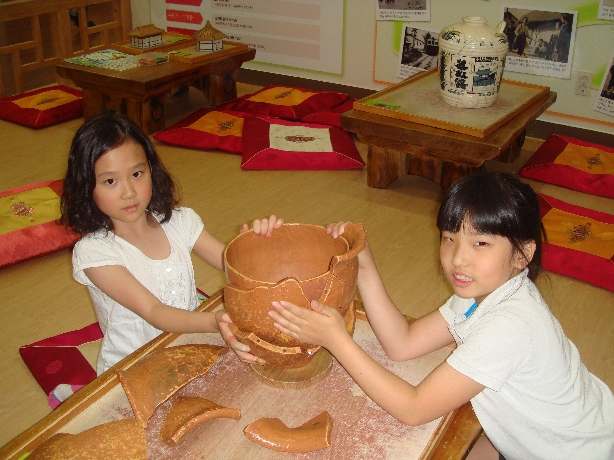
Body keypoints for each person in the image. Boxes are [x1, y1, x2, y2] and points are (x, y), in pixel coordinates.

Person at [269, 172, 614, 460]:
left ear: (523, 254)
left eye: (481, 244)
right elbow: (402, 344)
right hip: (561, 432)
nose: (458, 259)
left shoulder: (510, 324)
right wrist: (364, 263)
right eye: (449, 238)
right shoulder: (481, 295)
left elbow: (414, 409)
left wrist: (337, 341)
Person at [61, 111, 283, 374]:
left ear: (152, 171)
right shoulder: (94, 252)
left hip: (188, 340)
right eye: (110, 181)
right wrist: (215, 321)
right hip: (135, 366)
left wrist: (255, 246)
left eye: (137, 174)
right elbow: (154, 311)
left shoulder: (180, 222)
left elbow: (231, 264)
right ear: (87, 187)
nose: (129, 192)